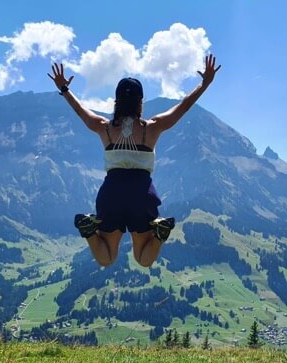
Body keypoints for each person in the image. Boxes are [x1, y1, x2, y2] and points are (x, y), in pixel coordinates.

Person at [48, 54, 221, 268]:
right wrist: (204, 84)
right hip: (142, 191)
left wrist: (65, 90)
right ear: (140, 102)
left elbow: (81, 111)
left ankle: (88, 231)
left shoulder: (104, 128)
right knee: (143, 259)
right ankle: (159, 234)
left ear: (116, 101)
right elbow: (183, 107)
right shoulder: (153, 127)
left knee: (106, 257)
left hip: (112, 191)